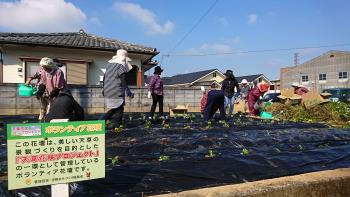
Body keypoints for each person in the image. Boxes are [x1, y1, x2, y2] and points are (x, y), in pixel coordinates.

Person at [100, 49, 133, 128]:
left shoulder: (109, 65)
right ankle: (116, 125)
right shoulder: (121, 65)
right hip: (115, 90)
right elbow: (123, 79)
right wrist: (128, 90)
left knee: (116, 108)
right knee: (119, 109)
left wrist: (103, 89)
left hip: (107, 89)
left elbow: (104, 77)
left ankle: (104, 121)